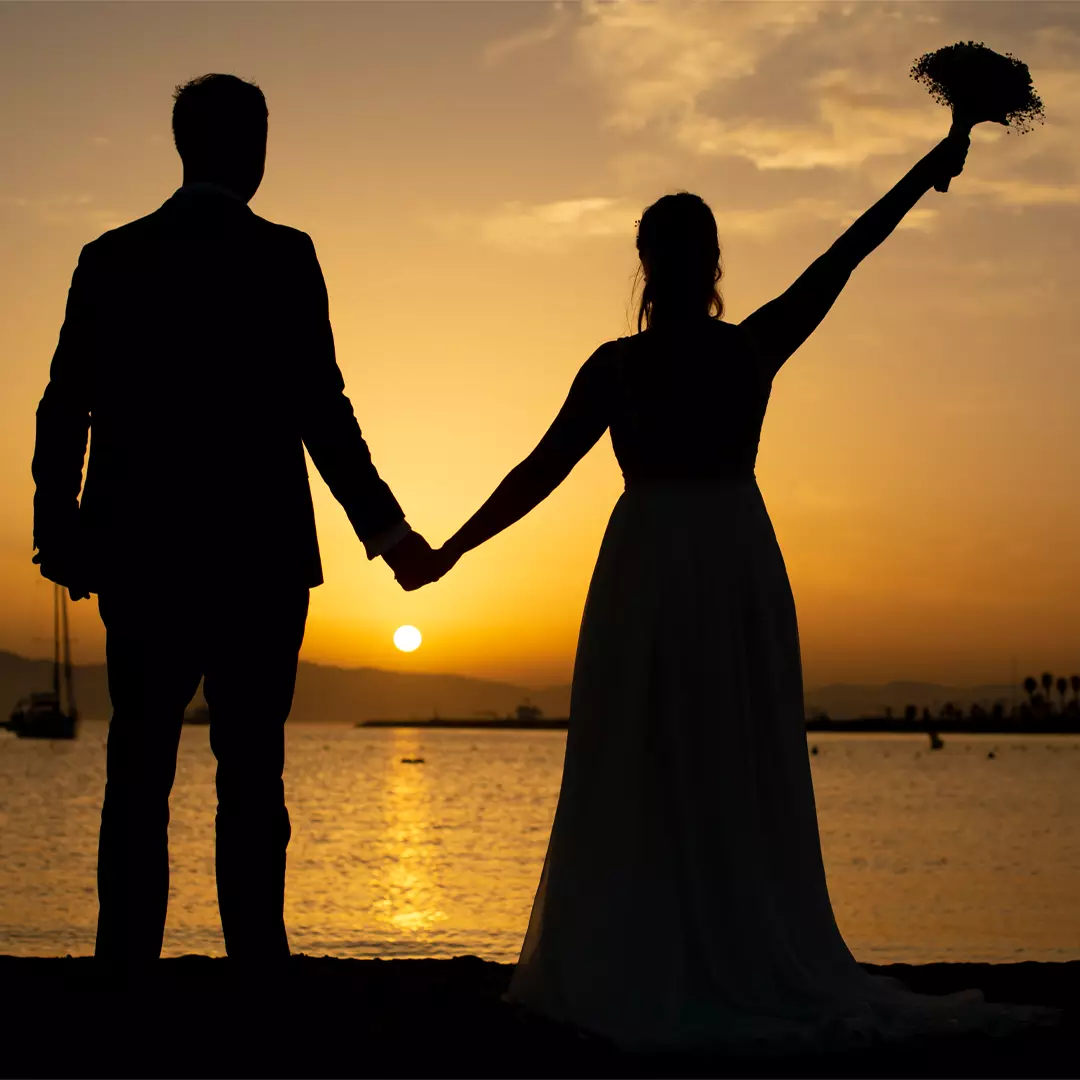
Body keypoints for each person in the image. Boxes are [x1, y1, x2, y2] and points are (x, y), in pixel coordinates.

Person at [397, 131, 1058, 1049]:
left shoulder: (618, 367)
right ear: (711, 264)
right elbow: (849, 251)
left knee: (644, 756)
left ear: (644, 264)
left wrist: (451, 553)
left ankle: (648, 946)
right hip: (732, 558)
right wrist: (928, 164)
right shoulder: (745, 350)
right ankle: (727, 938)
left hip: (649, 567)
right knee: (725, 753)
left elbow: (536, 473)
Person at [31, 73, 431, 975]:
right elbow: (322, 411)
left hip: (141, 556)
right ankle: (258, 964)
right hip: (258, 560)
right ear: (252, 150)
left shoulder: (111, 257)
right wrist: (389, 531)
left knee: (137, 771)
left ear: (183, 147)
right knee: (252, 775)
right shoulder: (285, 257)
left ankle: (122, 968)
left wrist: (59, 529)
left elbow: (66, 408)